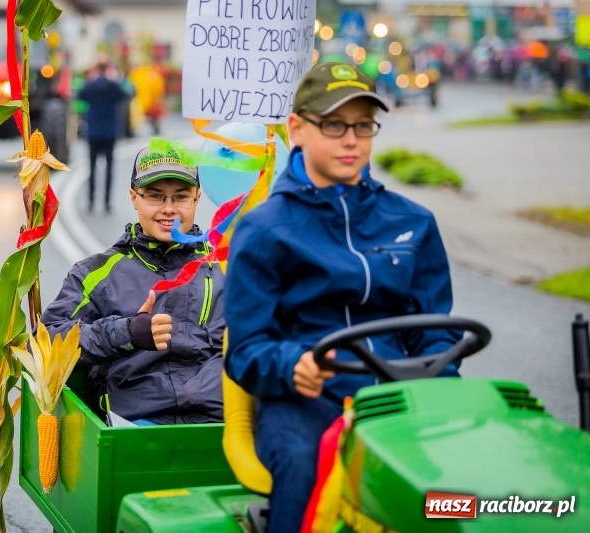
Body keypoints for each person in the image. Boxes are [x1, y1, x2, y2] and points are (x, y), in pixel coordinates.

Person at [223, 62, 461, 531]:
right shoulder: (263, 230)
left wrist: (435, 381)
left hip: (403, 396)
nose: (351, 140)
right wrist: (292, 364)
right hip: (309, 403)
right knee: (303, 462)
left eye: (362, 125)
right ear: (297, 129)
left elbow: (439, 332)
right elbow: (246, 350)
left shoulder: (414, 222)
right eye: (333, 124)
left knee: (468, 476)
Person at [40, 145, 226, 426]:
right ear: (133, 198)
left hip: (220, 424)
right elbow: (45, 343)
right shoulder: (95, 273)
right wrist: (125, 332)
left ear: (197, 198)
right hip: (135, 426)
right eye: (154, 196)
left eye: (181, 197)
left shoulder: (229, 267)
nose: (168, 209)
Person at [77, 60, 129, 213]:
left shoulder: (90, 86)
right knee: (109, 167)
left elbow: (80, 95)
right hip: (110, 132)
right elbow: (125, 95)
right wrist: (116, 78)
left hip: (93, 132)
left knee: (92, 167)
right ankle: (107, 201)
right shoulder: (114, 86)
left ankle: (91, 201)